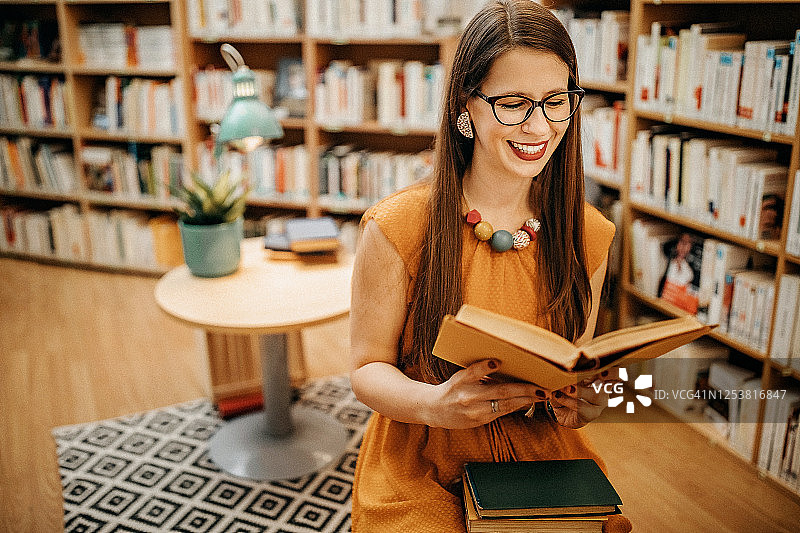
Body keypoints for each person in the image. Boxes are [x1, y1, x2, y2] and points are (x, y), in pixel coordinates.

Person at [348, 1, 632, 531]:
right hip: (424, 452)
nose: (539, 125)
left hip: (541, 452)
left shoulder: (590, 234)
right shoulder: (397, 227)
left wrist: (587, 401)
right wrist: (434, 404)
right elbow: (366, 370)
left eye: (556, 102)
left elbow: (574, 364)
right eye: (514, 103)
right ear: (467, 105)